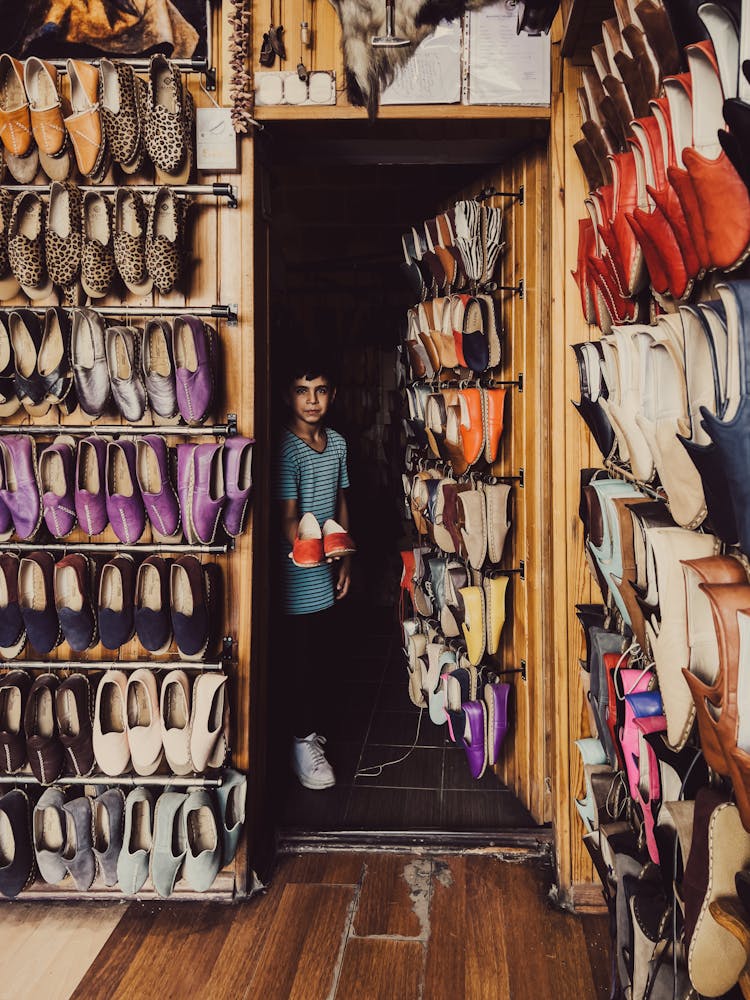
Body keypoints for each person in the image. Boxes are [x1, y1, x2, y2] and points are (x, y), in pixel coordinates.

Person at [274, 356, 353, 790]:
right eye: (303, 391)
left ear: (333, 395)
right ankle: (302, 745)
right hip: (296, 573)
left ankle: (309, 733)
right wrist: (308, 548)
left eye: (320, 390)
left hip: (325, 566)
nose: (311, 400)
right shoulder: (286, 448)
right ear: (289, 395)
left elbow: (341, 502)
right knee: (300, 661)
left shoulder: (337, 444)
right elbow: (286, 518)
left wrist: (345, 556)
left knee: (322, 656)